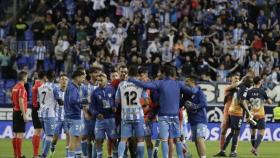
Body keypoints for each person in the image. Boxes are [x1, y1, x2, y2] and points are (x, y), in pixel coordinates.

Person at [129, 66, 198, 158]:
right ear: (174, 74)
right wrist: (183, 100)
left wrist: (131, 80)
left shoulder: (160, 83)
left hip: (163, 116)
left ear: (164, 74)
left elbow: (144, 85)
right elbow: (192, 91)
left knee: (164, 140)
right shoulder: (179, 84)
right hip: (175, 115)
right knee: (177, 140)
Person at [116, 66, 149, 158]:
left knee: (123, 139)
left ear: (128, 73)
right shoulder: (140, 84)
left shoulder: (121, 84)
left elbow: (117, 100)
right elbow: (146, 101)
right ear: (137, 74)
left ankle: (120, 156)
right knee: (140, 139)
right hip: (138, 116)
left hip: (125, 116)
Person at [219, 76, 254, 157]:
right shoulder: (243, 88)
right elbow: (241, 101)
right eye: (250, 82)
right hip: (237, 112)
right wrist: (248, 112)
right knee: (235, 132)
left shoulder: (237, 87)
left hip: (231, 111)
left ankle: (223, 150)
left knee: (232, 132)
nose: (251, 84)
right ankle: (232, 152)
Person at [90, 73, 118, 158]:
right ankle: (99, 156)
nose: (99, 82)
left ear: (106, 79)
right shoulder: (95, 93)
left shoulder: (112, 89)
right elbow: (91, 108)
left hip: (111, 119)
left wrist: (115, 107)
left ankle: (115, 155)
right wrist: (96, 114)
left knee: (113, 139)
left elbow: (116, 101)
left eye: (101, 80)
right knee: (98, 140)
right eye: (98, 80)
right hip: (100, 120)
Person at [214, 73, 241, 157]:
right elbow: (233, 87)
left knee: (236, 132)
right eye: (235, 78)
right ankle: (222, 150)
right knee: (223, 131)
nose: (237, 79)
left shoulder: (241, 89)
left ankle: (234, 151)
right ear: (231, 79)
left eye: (238, 78)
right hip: (227, 112)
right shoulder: (227, 88)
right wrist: (242, 81)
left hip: (236, 113)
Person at [245, 76, 272, 156]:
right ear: (259, 82)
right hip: (260, 115)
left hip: (252, 115)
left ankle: (254, 149)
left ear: (253, 82)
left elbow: (245, 104)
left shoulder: (249, 92)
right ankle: (254, 149)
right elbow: (270, 102)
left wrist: (247, 116)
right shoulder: (262, 91)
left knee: (253, 133)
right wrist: (267, 100)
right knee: (261, 132)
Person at [64, 70, 88, 158]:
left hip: (70, 116)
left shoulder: (72, 86)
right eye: (82, 77)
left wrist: (81, 106)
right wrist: (84, 101)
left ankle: (78, 156)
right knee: (73, 139)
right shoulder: (73, 87)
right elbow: (73, 100)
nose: (83, 80)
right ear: (77, 77)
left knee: (78, 138)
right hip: (73, 117)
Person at [38, 71, 61, 158]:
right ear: (54, 77)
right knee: (49, 136)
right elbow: (59, 100)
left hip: (41, 114)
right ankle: (43, 155)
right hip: (50, 114)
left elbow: (38, 100)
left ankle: (42, 153)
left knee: (46, 134)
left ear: (46, 77)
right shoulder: (55, 87)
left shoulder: (40, 87)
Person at [183, 75, 208, 158]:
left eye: (187, 81)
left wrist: (195, 106)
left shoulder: (199, 91)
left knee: (199, 139)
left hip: (201, 119)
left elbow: (204, 103)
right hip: (192, 120)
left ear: (192, 81)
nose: (185, 83)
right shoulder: (186, 94)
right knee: (196, 142)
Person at [50, 74, 69, 157]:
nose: (64, 81)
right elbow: (60, 102)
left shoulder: (70, 91)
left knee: (68, 134)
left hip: (67, 118)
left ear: (68, 81)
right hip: (57, 118)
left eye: (66, 79)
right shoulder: (56, 90)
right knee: (55, 138)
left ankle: (68, 155)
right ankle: (52, 147)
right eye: (62, 79)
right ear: (59, 81)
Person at [11, 71, 28, 158]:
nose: (27, 79)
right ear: (24, 78)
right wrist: (24, 114)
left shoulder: (14, 87)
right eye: (27, 77)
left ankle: (16, 155)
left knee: (15, 134)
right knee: (20, 135)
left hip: (15, 111)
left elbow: (12, 99)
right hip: (20, 112)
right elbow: (21, 101)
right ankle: (19, 155)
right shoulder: (21, 88)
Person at [31, 71, 46, 158]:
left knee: (38, 131)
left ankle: (36, 154)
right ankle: (35, 154)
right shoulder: (40, 86)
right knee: (38, 131)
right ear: (44, 77)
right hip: (38, 108)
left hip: (35, 108)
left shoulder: (35, 84)